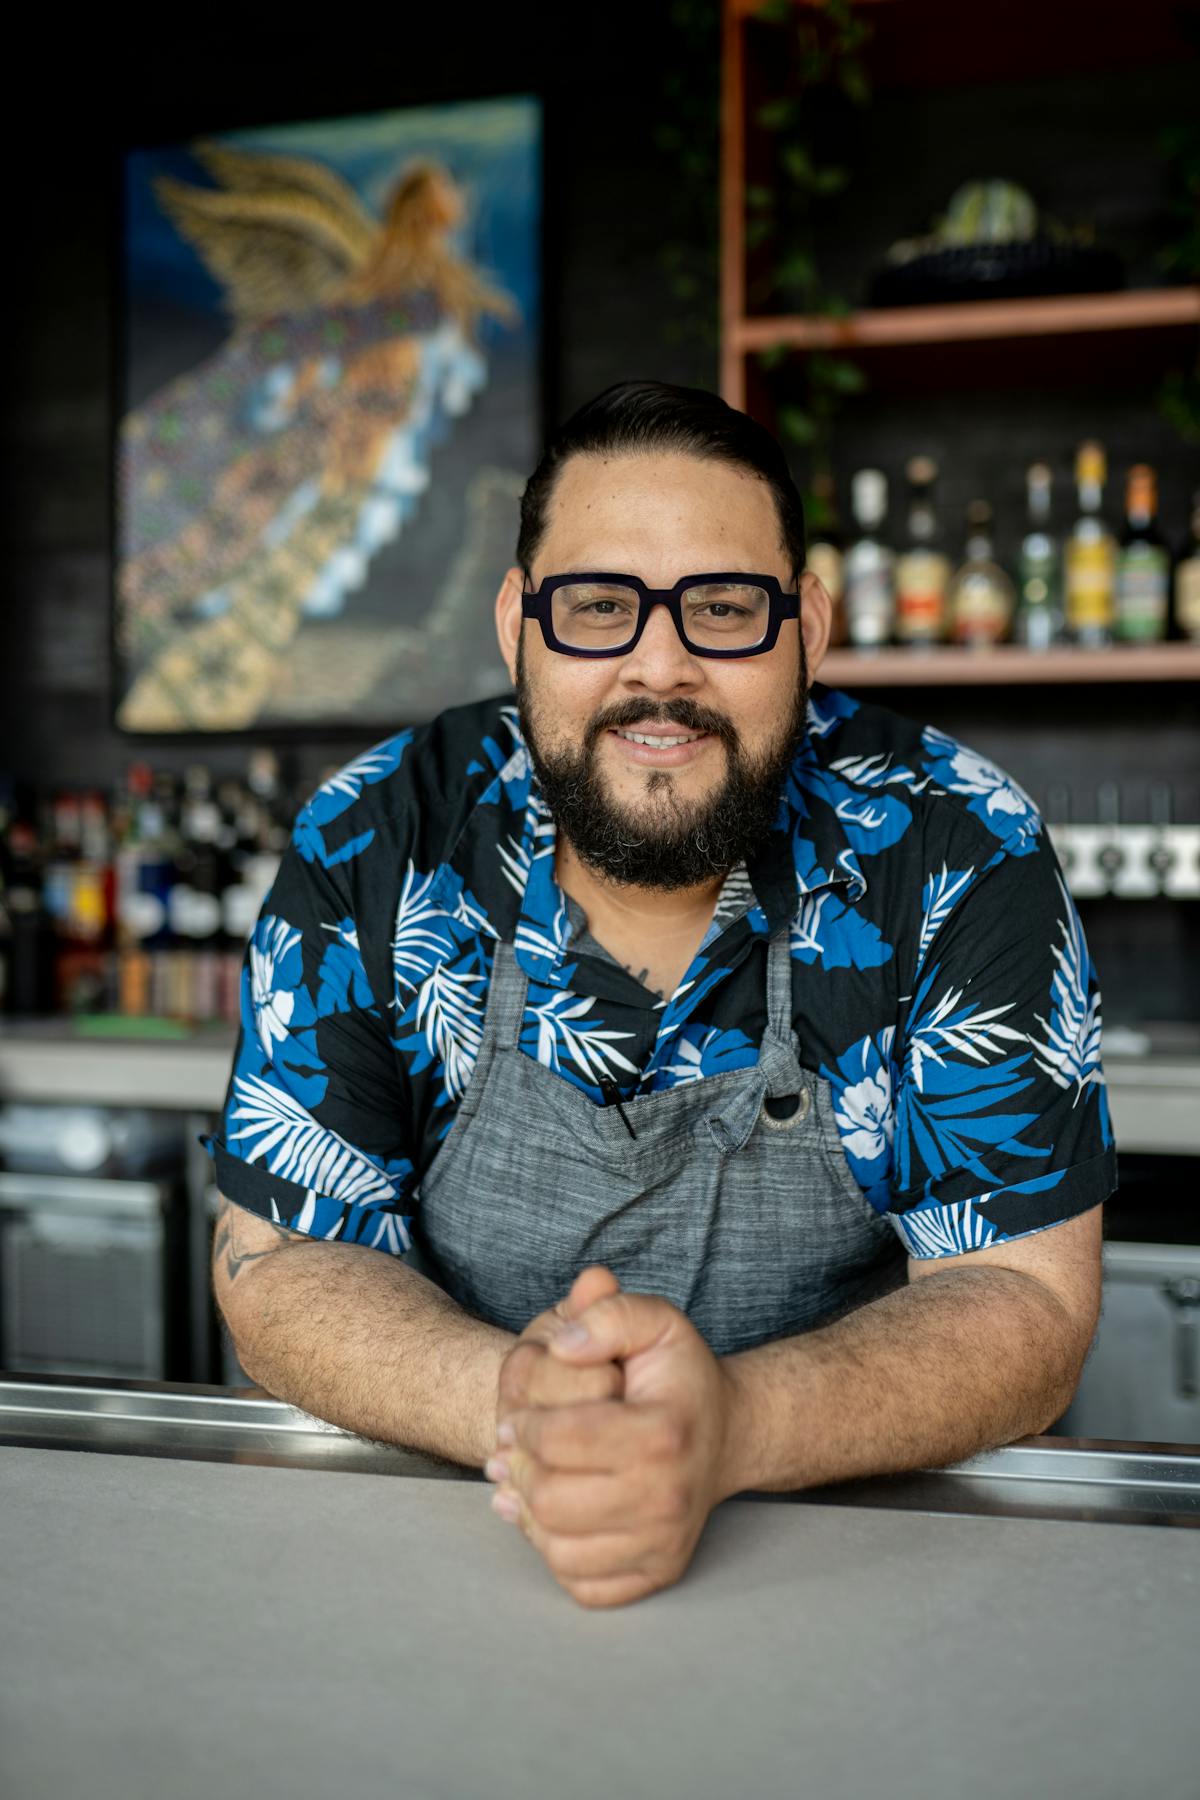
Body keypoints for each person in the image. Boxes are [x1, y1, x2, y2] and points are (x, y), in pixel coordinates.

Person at [206, 380, 1116, 1610]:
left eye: (726, 607)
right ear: (517, 627)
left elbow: (1025, 1298)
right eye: (596, 607)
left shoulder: (956, 845)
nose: (660, 667)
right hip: (457, 1548)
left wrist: (735, 1420)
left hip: (870, 1568)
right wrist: (530, 1410)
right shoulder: (377, 837)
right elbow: (278, 1259)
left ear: (810, 627)